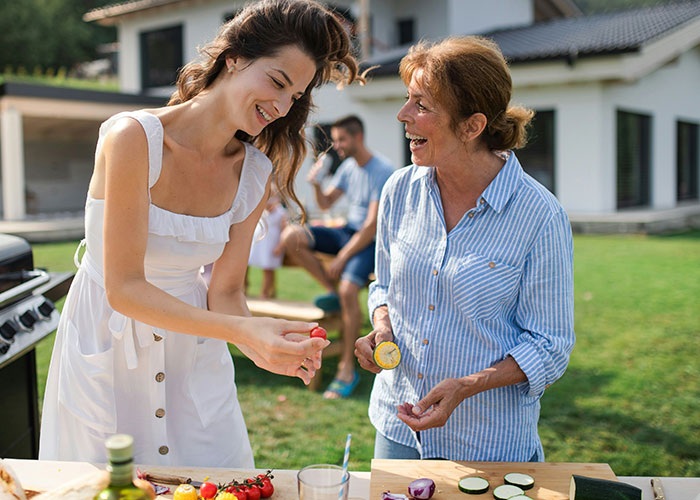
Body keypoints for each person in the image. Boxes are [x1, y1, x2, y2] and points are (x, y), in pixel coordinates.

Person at [39, 0, 362, 467]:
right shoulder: (132, 139)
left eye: (295, 96)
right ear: (234, 58)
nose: (281, 105)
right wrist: (242, 330)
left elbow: (226, 291)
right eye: (277, 81)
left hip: (194, 353)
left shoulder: (254, 173)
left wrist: (260, 347)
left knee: (220, 481)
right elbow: (124, 288)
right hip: (108, 344)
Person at [354, 36, 575, 461]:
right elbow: (383, 285)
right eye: (407, 99)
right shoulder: (399, 189)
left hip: (487, 442)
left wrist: (467, 386)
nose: (403, 115)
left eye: (421, 105)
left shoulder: (539, 215)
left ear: (472, 126)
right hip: (397, 426)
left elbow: (550, 345)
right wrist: (381, 325)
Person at [281, 115, 394, 399]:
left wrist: (342, 257)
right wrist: (316, 183)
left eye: (341, 139)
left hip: (370, 239)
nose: (336, 146)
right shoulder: (347, 168)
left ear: (357, 138)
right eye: (335, 139)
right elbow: (326, 203)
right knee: (292, 238)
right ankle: (333, 293)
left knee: (348, 290)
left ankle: (347, 368)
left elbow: (371, 226)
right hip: (347, 231)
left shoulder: (382, 169)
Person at [247, 190, 287, 298]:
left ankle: (265, 293)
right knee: (248, 265)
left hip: (272, 245)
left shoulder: (281, 213)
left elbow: (284, 230)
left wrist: (280, 246)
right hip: (260, 245)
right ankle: (244, 287)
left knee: (268, 269)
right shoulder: (261, 211)